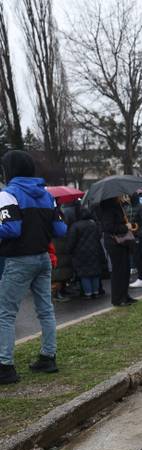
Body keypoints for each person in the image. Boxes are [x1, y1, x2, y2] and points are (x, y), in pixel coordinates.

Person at [0, 151, 67, 383]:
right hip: (43, 258)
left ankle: (5, 367)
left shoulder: (8, 194)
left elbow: (11, 229)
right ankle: (48, 357)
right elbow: (60, 230)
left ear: (9, 170)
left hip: (19, 259)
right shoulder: (47, 195)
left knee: (5, 313)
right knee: (45, 310)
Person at [99, 195, 137, 307]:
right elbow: (108, 227)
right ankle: (118, 298)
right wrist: (126, 227)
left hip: (121, 242)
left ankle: (125, 295)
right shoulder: (108, 209)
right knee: (118, 271)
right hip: (115, 242)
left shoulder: (117, 206)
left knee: (125, 269)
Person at [66, 202, 104, 299]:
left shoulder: (75, 226)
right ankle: (96, 292)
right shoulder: (94, 224)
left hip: (80, 253)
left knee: (84, 275)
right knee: (95, 272)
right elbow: (99, 235)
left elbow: (71, 242)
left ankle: (88, 293)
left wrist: (69, 251)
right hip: (95, 250)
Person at [125, 192, 142, 289]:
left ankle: (141, 277)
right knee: (138, 257)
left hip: (137, 236)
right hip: (132, 235)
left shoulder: (141, 208)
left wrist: (140, 236)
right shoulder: (129, 208)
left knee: (138, 257)